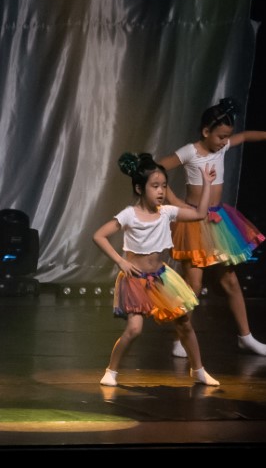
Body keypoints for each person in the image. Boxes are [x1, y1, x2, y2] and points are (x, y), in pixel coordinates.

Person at [158, 98, 266, 357]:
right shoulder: (191, 151)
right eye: (220, 136)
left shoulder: (223, 147)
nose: (225, 141)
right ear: (206, 131)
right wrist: (175, 202)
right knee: (193, 284)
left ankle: (246, 337)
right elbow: (157, 167)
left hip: (217, 221)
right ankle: (180, 338)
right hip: (194, 223)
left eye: (227, 136)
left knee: (230, 281)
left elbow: (246, 136)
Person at [93, 152, 220, 387]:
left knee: (184, 322)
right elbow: (99, 235)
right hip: (135, 279)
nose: (161, 191)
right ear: (140, 189)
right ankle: (111, 370)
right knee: (134, 329)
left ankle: (198, 370)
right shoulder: (129, 215)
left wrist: (206, 183)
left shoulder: (166, 212)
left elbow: (200, 214)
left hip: (161, 277)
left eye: (163, 186)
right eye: (155, 186)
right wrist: (120, 261)